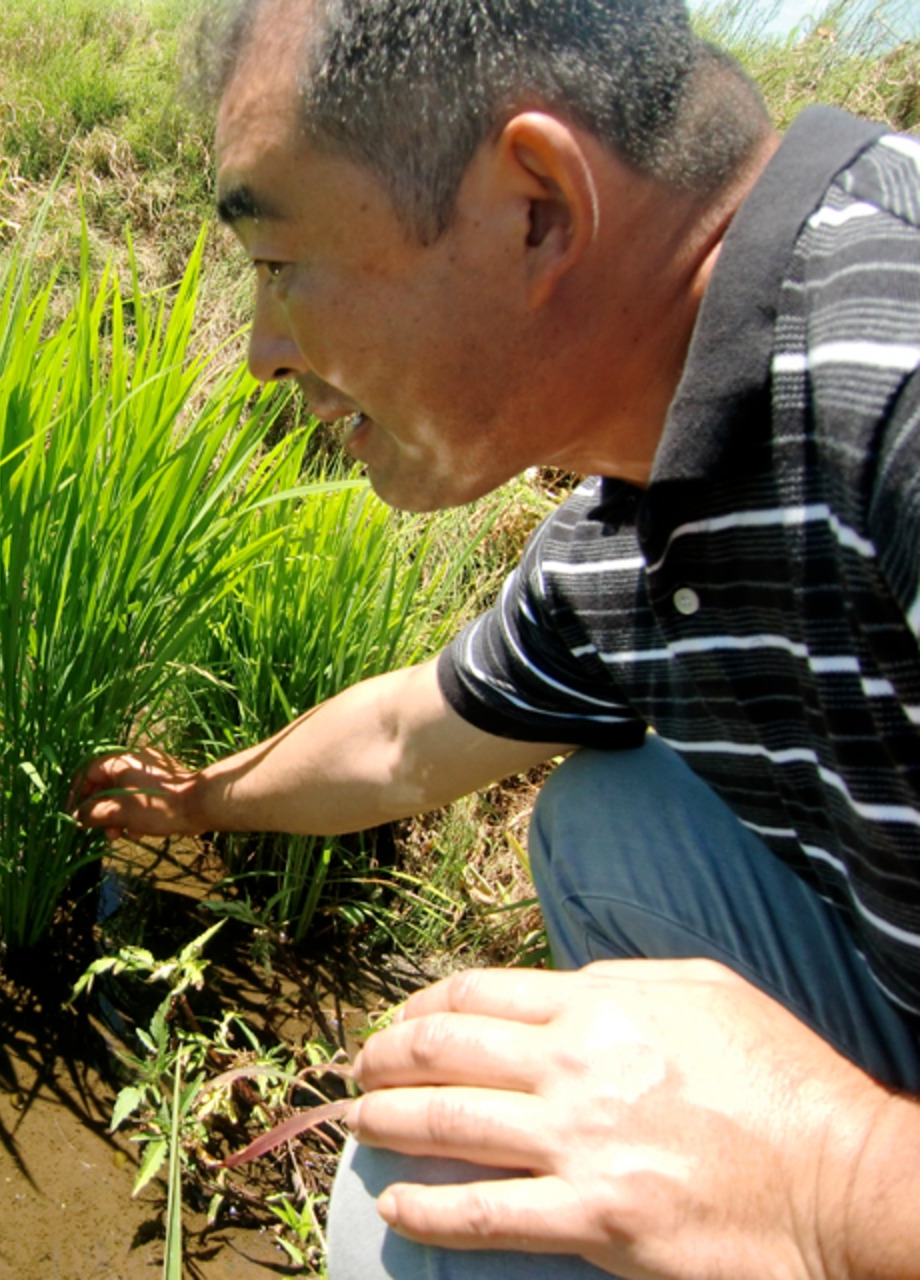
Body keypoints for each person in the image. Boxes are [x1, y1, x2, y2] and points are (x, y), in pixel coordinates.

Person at [75, 0, 920, 1275]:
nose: (257, 354)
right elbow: (409, 736)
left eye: (277, 263)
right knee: (614, 817)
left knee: (415, 1210)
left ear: (534, 205)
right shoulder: (636, 522)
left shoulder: (895, 384)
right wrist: (196, 804)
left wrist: (826, 1173)